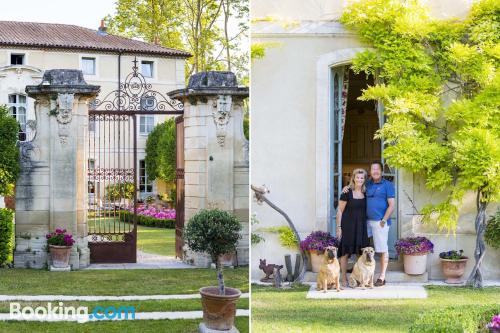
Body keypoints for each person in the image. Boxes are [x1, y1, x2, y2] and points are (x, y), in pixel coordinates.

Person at [343, 161, 395, 286]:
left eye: (377, 169)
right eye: (373, 169)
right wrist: (346, 187)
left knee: (382, 249)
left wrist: (384, 220)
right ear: (370, 172)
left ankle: (382, 277)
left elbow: (392, 205)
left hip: (380, 222)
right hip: (365, 221)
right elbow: (356, 185)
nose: (375, 171)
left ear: (381, 171)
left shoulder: (387, 185)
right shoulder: (368, 183)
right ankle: (358, 268)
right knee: (361, 246)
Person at [336, 168, 369, 288]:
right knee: (345, 253)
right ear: (353, 178)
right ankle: (343, 277)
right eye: (357, 177)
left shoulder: (366, 193)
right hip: (348, 226)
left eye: (362, 177)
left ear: (364, 180)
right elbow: (339, 210)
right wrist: (339, 227)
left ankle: (359, 278)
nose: (359, 179)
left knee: (361, 254)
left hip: (361, 227)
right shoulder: (346, 192)